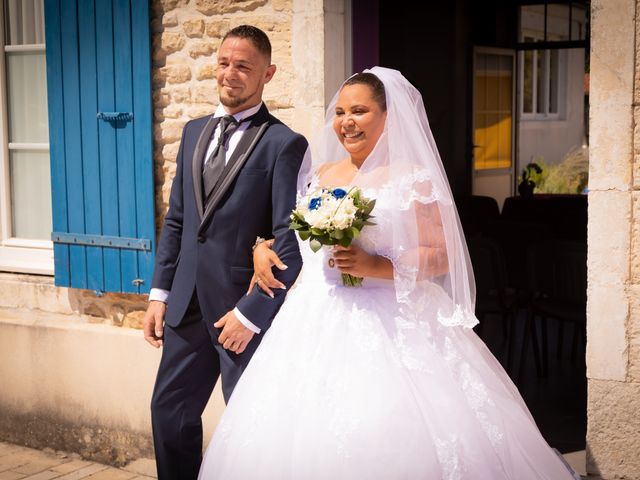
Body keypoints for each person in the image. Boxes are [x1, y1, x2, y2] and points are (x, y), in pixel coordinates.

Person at [197, 67, 579, 479]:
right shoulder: (323, 175)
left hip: (395, 319)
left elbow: (443, 254)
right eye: (341, 112)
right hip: (314, 316)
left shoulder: (412, 178)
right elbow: (297, 238)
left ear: (388, 116)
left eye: (359, 111)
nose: (346, 122)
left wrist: (376, 267)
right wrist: (262, 247)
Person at [142, 25, 308, 480]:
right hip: (186, 308)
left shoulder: (284, 144)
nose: (229, 74)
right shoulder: (194, 132)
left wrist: (251, 313)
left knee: (247, 429)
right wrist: (159, 294)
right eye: (223, 63)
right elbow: (178, 222)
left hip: (240, 315)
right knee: (168, 415)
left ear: (267, 74)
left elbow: (289, 244)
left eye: (243, 66)